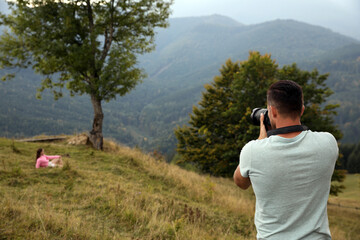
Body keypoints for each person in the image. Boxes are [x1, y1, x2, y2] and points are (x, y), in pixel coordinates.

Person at [233, 80, 338, 239]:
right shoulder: (328, 143)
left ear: (272, 111)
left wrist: (262, 139)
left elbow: (241, 182)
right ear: (302, 110)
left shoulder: (253, 151)